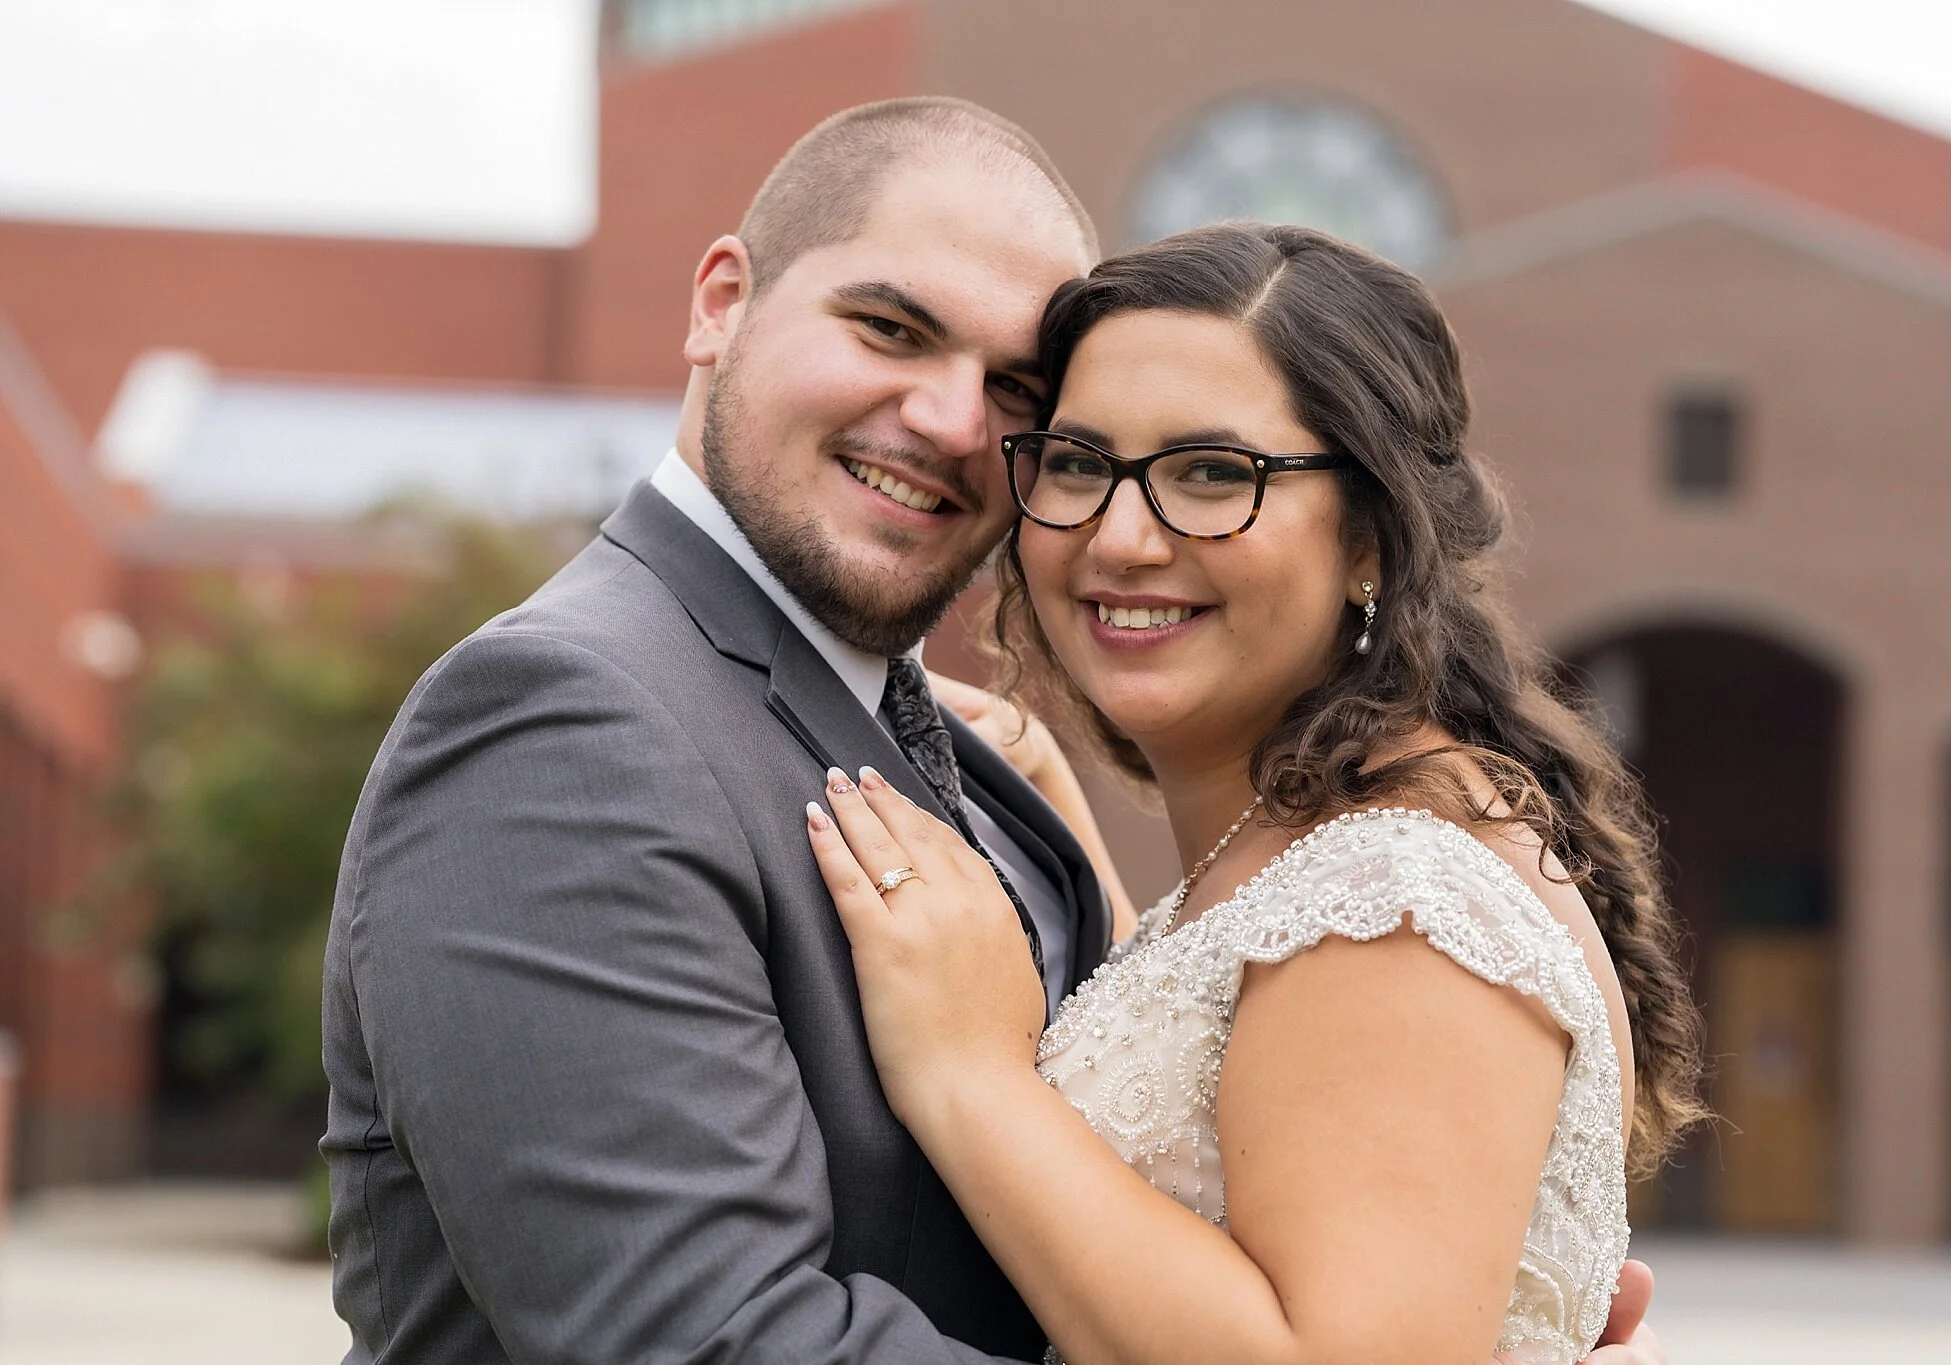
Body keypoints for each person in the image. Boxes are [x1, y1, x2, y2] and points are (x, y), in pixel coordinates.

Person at [322, 95, 1668, 1361]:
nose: (952, 423)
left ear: (1373, 537)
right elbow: (708, 1336)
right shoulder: (566, 726)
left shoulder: (1019, 786)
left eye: (1018, 394)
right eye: (892, 331)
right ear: (722, 304)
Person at [804, 222, 1707, 1363]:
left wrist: (966, 1073)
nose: (1120, 537)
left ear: (1373, 534)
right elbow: (1233, 1092)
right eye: (1078, 465)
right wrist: (1045, 812)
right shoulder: (1338, 843)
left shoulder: (1397, 903)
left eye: (1212, 475)